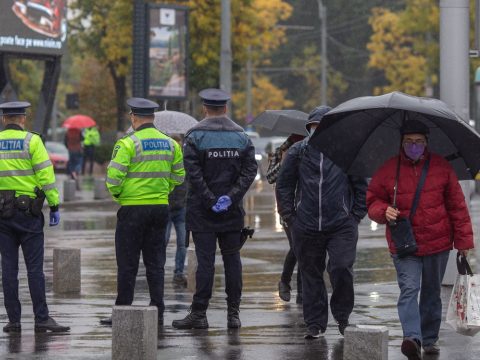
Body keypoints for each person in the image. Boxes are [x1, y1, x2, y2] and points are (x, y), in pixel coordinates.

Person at [366, 119, 474, 359]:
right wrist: (383, 210)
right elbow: (372, 201)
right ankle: (412, 338)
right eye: (409, 142)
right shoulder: (388, 169)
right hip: (404, 245)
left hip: (438, 243)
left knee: (431, 293)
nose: (414, 146)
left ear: (427, 143)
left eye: (419, 142)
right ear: (401, 143)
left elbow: (457, 206)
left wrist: (464, 242)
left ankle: (429, 338)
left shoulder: (442, 167)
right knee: (409, 289)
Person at [276, 105, 367, 339]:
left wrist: (354, 216)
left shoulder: (346, 151)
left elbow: (361, 188)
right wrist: (290, 217)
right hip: (305, 225)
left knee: (341, 268)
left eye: (322, 127)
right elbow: (284, 185)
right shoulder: (298, 151)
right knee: (310, 274)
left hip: (341, 225)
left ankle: (343, 317)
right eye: (314, 127)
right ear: (309, 129)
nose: (318, 131)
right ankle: (315, 323)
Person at [172, 89, 257, 329]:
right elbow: (250, 170)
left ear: (204, 108)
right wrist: (230, 198)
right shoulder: (241, 136)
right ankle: (233, 314)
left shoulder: (195, 135)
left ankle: (199, 314)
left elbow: (193, 173)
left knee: (205, 262)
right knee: (232, 261)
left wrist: (210, 200)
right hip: (231, 213)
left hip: (202, 212)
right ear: (226, 108)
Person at [101, 98, 185, 326]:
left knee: (128, 264)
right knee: (155, 263)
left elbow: (113, 178)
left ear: (134, 117)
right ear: (153, 117)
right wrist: (162, 192)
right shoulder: (170, 144)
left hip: (132, 210)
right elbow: (179, 176)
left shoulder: (127, 144)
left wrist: (120, 197)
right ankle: (157, 309)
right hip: (159, 209)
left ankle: (123, 311)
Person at [0, 101, 69, 333]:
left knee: (8, 269)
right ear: (23, 118)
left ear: (3, 119)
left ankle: (14, 321)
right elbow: (46, 176)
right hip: (28, 213)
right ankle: (41, 319)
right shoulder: (32, 141)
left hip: (2, 214)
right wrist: (55, 206)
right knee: (34, 269)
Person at [266, 133, 305, 304]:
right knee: (297, 247)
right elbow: (270, 177)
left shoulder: (312, 148)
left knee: (305, 249)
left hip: (307, 207)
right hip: (288, 208)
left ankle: (302, 293)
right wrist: (284, 161)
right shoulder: (281, 150)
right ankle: (285, 281)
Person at [166, 134, 188, 287]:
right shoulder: (163, 159)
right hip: (165, 207)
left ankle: (178, 273)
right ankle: (158, 271)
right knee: (163, 241)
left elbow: (191, 181)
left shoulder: (186, 160)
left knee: (182, 243)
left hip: (181, 207)